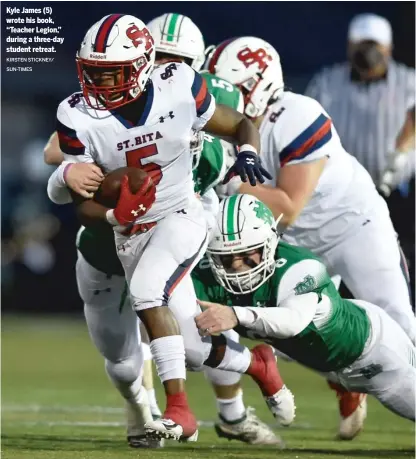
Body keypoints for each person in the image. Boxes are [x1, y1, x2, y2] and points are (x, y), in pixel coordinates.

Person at [47, 14, 288, 443]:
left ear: (145, 65)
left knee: (147, 289)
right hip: (115, 241)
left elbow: (236, 124)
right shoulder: (77, 114)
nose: (99, 83)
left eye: (111, 73)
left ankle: (179, 411)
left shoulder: (181, 86)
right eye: (93, 72)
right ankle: (253, 367)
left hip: (180, 215)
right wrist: (84, 191)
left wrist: (247, 151)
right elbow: (72, 195)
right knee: (159, 358)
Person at [205, 35, 416, 439]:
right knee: (294, 334)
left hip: (352, 225)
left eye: (233, 89)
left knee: (399, 320)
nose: (223, 98)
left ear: (259, 84)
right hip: (295, 240)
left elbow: (288, 203)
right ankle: (347, 383)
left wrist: (226, 180)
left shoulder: (297, 114)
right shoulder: (224, 129)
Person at [192, 195, 416, 426]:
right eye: (226, 258)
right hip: (324, 362)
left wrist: (236, 314)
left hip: (374, 353)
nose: (237, 267)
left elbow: (293, 322)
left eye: (247, 255)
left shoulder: (300, 266)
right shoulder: (207, 274)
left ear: (269, 243)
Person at [305, 13, 415, 189]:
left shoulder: (410, 83)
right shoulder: (326, 83)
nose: (368, 52)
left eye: (375, 45)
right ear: (350, 46)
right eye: (362, 45)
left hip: (399, 191)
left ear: (388, 48)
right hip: (342, 191)